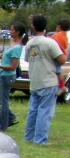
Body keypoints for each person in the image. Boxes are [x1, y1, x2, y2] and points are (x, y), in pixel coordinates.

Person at [24, 15, 66, 144]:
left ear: (33, 27)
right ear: (45, 27)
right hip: (48, 80)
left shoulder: (30, 43)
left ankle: (29, 136)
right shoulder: (50, 42)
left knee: (33, 110)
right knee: (45, 111)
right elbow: (62, 60)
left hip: (35, 80)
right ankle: (40, 139)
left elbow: (27, 59)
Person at [0, 23, 25, 132]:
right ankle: (11, 117)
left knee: (3, 101)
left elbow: (13, 66)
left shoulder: (17, 48)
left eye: (12, 29)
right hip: (3, 75)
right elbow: (0, 56)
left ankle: (1, 126)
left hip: (7, 76)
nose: (10, 31)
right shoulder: (12, 45)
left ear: (18, 32)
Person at [51, 18, 68, 94]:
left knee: (58, 71)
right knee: (58, 70)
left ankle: (62, 86)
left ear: (59, 26)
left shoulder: (56, 35)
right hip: (62, 55)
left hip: (57, 55)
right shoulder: (65, 36)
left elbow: (52, 43)